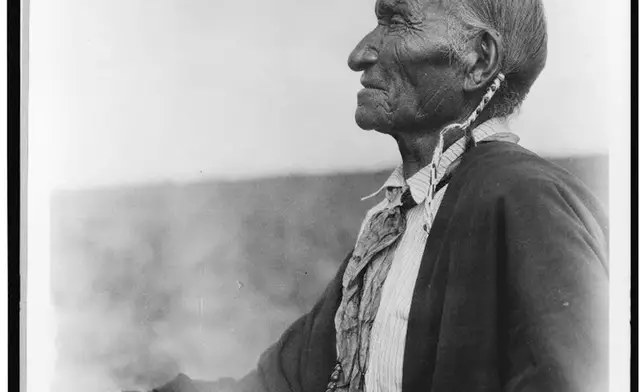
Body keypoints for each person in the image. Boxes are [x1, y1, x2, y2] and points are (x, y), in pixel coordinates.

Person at [150, 0, 608, 391]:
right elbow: (284, 382)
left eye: (397, 21)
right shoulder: (399, 219)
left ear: (478, 61)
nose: (359, 54)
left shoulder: (527, 200)